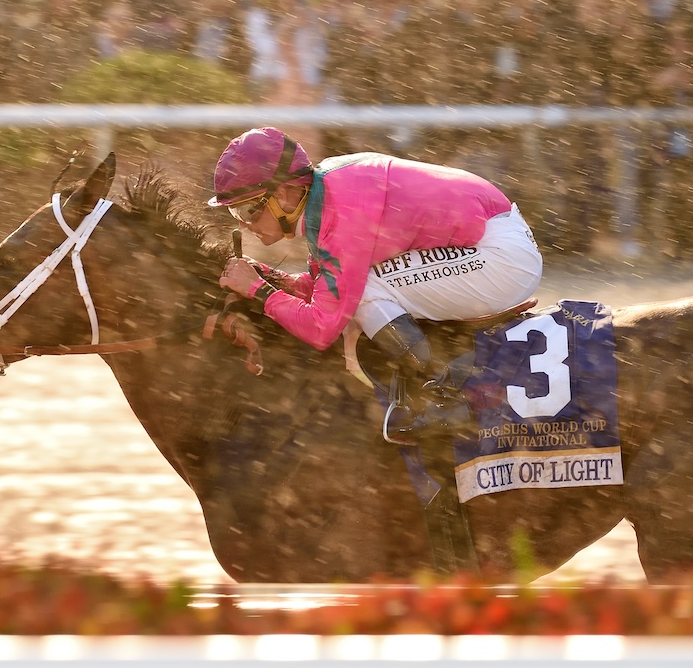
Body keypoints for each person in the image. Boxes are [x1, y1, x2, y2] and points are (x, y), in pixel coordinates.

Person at [210, 127, 543, 444]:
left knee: (365, 292)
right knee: (363, 289)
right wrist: (275, 278)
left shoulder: (341, 212)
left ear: (282, 194)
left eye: (247, 209)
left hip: (499, 257)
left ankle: (442, 398)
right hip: (488, 243)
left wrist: (259, 290)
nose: (244, 224)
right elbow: (326, 286)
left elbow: (321, 326)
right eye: (234, 214)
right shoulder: (327, 192)